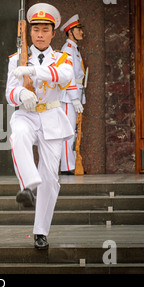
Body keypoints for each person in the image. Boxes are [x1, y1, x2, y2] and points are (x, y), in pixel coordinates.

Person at [6, 3, 75, 249]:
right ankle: (27, 185)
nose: (40, 34)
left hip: (52, 117)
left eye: (45, 29)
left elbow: (64, 77)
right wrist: (20, 95)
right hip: (27, 115)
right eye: (35, 29)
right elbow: (9, 93)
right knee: (19, 136)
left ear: (53, 33)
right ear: (30, 32)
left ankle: (40, 232)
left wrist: (33, 70)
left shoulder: (63, 59)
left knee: (50, 177)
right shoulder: (17, 58)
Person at [59, 14, 85, 175]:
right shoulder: (67, 50)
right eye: (78, 29)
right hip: (68, 98)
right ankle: (67, 166)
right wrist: (74, 98)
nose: (82, 32)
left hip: (75, 97)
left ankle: (72, 165)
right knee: (69, 132)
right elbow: (67, 76)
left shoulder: (74, 49)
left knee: (74, 131)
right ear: (70, 32)